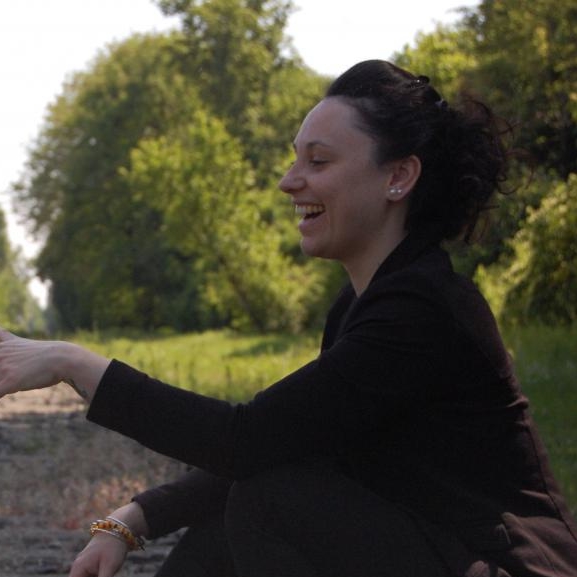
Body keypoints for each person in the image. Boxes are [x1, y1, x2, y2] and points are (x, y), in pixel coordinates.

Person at [0, 59, 576, 577]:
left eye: (318, 161)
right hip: (438, 552)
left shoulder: (424, 311)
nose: (289, 180)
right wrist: (133, 518)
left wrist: (73, 363)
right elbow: (284, 443)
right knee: (255, 499)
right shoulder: (367, 304)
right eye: (295, 157)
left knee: (272, 499)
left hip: (507, 566)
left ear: (398, 176)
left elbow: (245, 442)